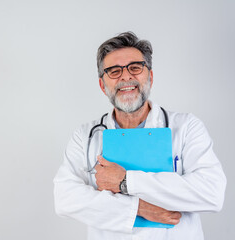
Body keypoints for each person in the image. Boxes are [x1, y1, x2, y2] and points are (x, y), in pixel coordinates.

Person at [53, 32, 226, 240]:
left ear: (150, 77)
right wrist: (138, 208)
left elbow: (211, 193)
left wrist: (125, 181)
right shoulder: (85, 137)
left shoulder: (187, 127)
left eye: (135, 68)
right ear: (102, 85)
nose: (126, 77)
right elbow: (65, 198)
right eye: (114, 71)